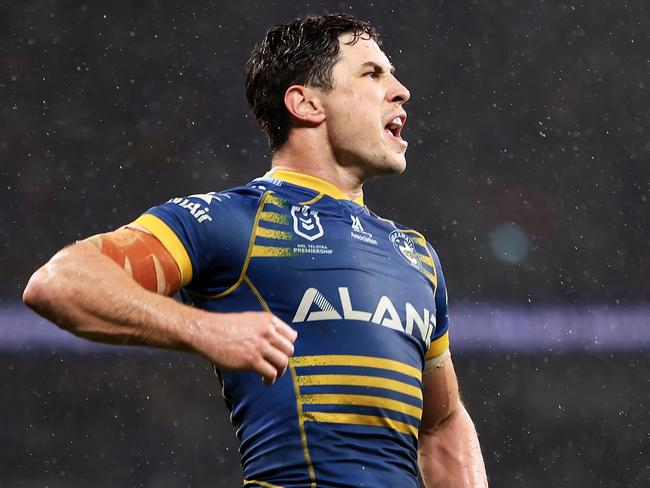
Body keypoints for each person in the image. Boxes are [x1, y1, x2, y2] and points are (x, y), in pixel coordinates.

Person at [24, 13, 488, 488]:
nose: (400, 89)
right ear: (305, 103)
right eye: (373, 73)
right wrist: (204, 330)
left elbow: (443, 424)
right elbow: (60, 283)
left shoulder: (415, 255)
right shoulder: (231, 218)